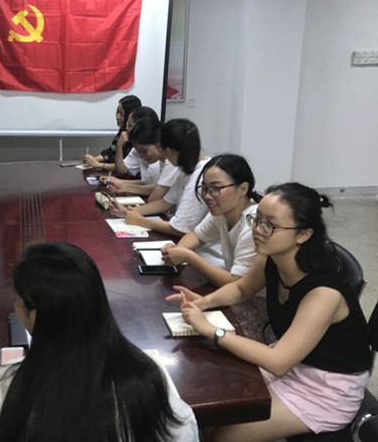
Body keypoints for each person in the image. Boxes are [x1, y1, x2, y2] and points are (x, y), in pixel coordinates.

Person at [167, 183, 372, 441]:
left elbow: (278, 362)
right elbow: (241, 289)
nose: (257, 230)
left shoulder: (324, 293)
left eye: (270, 225)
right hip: (293, 360)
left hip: (326, 388)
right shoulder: (271, 258)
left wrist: (211, 330)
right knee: (211, 405)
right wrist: (203, 302)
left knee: (224, 436)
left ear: (303, 234)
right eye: (257, 220)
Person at [0, 241, 199, 442]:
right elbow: (183, 431)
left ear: (33, 315)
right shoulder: (149, 375)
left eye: (19, 298)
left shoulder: (2, 389)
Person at [161, 154, 260, 287]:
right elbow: (197, 235)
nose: (207, 196)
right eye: (204, 188)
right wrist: (178, 250)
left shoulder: (253, 224)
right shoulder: (221, 212)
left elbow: (236, 283)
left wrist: (188, 256)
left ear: (242, 189)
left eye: (216, 188)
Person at [112, 118, 209, 237]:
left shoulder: (202, 176)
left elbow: (180, 229)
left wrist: (140, 220)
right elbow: (166, 202)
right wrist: (129, 212)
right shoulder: (185, 169)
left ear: (169, 151)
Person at [106, 114, 180, 202]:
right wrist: (123, 186)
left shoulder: (171, 162)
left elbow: (153, 197)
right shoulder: (162, 161)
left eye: (144, 151)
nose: (141, 156)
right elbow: (154, 186)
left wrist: (124, 186)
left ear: (158, 143)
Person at [82, 94, 141, 170]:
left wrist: (98, 165)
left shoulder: (137, 138)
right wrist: (92, 160)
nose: (117, 117)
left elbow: (125, 166)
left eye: (122, 114)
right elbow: (111, 151)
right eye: (117, 112)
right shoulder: (123, 130)